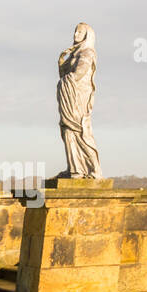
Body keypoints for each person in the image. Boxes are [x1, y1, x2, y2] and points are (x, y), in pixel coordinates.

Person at [56, 23, 100, 179]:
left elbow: (79, 73)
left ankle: (94, 169)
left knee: (80, 130)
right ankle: (75, 168)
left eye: (79, 32)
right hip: (69, 95)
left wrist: (67, 79)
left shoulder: (87, 53)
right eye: (74, 31)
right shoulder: (75, 54)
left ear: (87, 35)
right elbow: (64, 74)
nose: (75, 35)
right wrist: (62, 60)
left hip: (79, 96)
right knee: (67, 129)